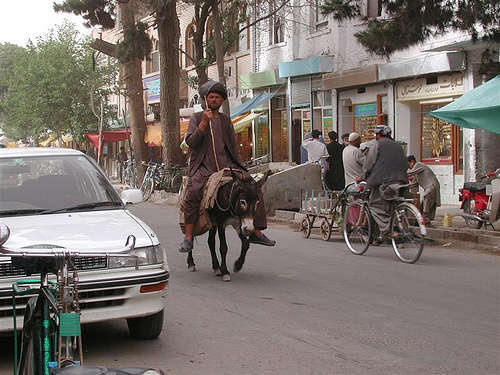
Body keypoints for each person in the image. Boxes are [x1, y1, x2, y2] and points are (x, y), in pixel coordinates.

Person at [179, 80, 275, 253]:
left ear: (222, 100)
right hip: (203, 167)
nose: (214, 100)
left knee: (253, 186)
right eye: (211, 97)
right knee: (193, 191)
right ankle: (188, 236)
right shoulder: (196, 118)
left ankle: (256, 231)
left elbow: (232, 146)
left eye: (217, 97)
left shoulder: (225, 121)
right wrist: (203, 124)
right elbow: (191, 142)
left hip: (227, 165)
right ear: (205, 100)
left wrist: (241, 168)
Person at [361, 125, 408, 242]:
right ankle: (396, 227)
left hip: (384, 181)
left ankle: (388, 230)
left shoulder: (377, 145)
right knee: (392, 205)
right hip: (401, 180)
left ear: (377, 135)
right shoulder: (398, 145)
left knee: (374, 205)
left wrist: (364, 176)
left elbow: (369, 164)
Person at [407, 155, 441, 226]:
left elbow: (410, 172)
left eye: (408, 164)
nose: (408, 166)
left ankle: (426, 221)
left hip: (432, 186)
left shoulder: (418, 165)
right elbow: (413, 184)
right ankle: (425, 221)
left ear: (412, 162)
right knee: (423, 206)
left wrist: (400, 172)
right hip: (429, 188)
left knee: (426, 198)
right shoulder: (416, 173)